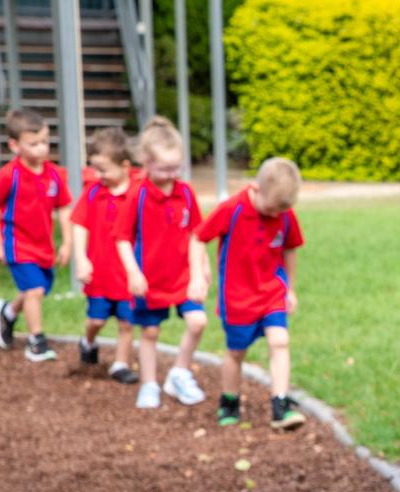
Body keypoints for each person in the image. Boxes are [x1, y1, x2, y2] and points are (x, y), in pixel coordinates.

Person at [196, 157, 306, 430]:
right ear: (255, 189)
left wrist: (290, 288)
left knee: (280, 341)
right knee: (236, 353)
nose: (274, 216)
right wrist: (198, 274)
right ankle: (229, 401)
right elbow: (199, 237)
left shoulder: (283, 214)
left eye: (280, 211)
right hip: (238, 298)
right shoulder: (231, 209)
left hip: (271, 292)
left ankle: (280, 405)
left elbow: (290, 249)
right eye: (270, 209)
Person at [114, 116, 207, 409]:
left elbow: (197, 235)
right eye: (165, 168)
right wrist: (133, 272)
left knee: (198, 321)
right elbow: (122, 238)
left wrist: (199, 273)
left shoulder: (186, 193)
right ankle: (149, 384)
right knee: (150, 333)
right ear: (146, 162)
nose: (172, 173)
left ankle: (179, 373)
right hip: (150, 279)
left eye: (176, 167)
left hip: (182, 277)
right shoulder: (137, 195)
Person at [0, 108, 72, 361]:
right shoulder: (9, 175)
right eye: (33, 144)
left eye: (45, 142)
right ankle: (36, 342)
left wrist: (66, 242)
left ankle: (7, 313)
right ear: (15, 145)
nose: (41, 149)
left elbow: (65, 206)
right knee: (34, 291)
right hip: (17, 244)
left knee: (37, 289)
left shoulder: (54, 174)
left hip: (43, 246)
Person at [71, 127, 139, 383]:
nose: (98, 175)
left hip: (126, 275)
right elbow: (79, 223)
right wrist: (82, 258)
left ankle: (121, 364)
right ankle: (87, 341)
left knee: (126, 323)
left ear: (125, 165)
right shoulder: (93, 192)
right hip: (99, 272)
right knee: (96, 320)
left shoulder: (138, 192)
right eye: (95, 169)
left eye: (104, 170)